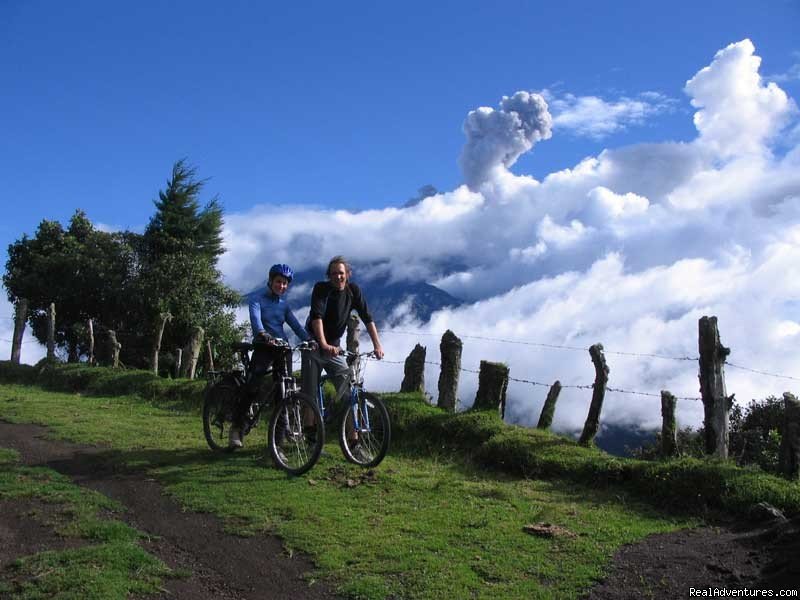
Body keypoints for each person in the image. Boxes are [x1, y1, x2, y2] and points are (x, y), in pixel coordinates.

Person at [230, 263, 310, 448]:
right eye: (278, 282)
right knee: (252, 386)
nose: (281, 286)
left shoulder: (284, 305)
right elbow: (256, 321)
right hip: (264, 347)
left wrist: (310, 340)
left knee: (283, 395)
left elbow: (296, 326)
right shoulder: (257, 300)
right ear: (271, 281)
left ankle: (278, 444)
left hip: (282, 349)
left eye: (284, 284)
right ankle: (236, 427)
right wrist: (263, 334)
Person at [301, 255, 384, 404]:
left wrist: (377, 346)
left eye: (341, 273)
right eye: (334, 273)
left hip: (334, 347)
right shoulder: (321, 289)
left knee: (348, 392)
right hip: (314, 344)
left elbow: (367, 318)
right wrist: (323, 345)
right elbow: (316, 318)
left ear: (347, 274)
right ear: (329, 276)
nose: (338, 277)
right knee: (310, 394)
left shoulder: (353, 291)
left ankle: (352, 428)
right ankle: (308, 427)